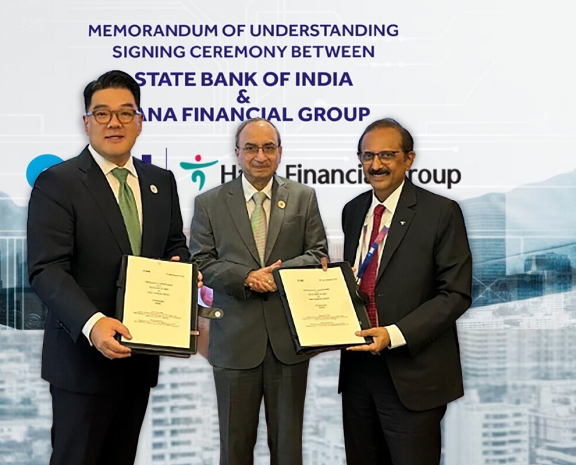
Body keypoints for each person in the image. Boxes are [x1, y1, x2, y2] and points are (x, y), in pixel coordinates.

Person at [27, 70, 190, 465]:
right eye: (101, 114)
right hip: (81, 362)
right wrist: (93, 323)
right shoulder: (58, 183)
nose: (113, 122)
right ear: (86, 122)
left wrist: (182, 271)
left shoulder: (161, 182)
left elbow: (175, 247)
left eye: (124, 112)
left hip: (139, 355)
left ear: (139, 120)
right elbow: (46, 269)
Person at [189, 117, 328, 465]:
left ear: (280, 152)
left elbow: (317, 255)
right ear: (237, 153)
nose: (260, 156)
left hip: (289, 344)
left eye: (268, 147)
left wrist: (274, 278)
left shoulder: (303, 198)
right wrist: (247, 277)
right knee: (234, 451)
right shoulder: (209, 203)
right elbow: (202, 262)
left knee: (288, 451)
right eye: (250, 148)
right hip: (234, 343)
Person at [339, 118, 472, 465]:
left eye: (387, 155)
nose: (376, 164)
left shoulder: (441, 212)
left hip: (413, 373)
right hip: (358, 372)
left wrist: (394, 334)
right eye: (367, 156)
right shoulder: (353, 211)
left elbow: (455, 294)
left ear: (409, 159)